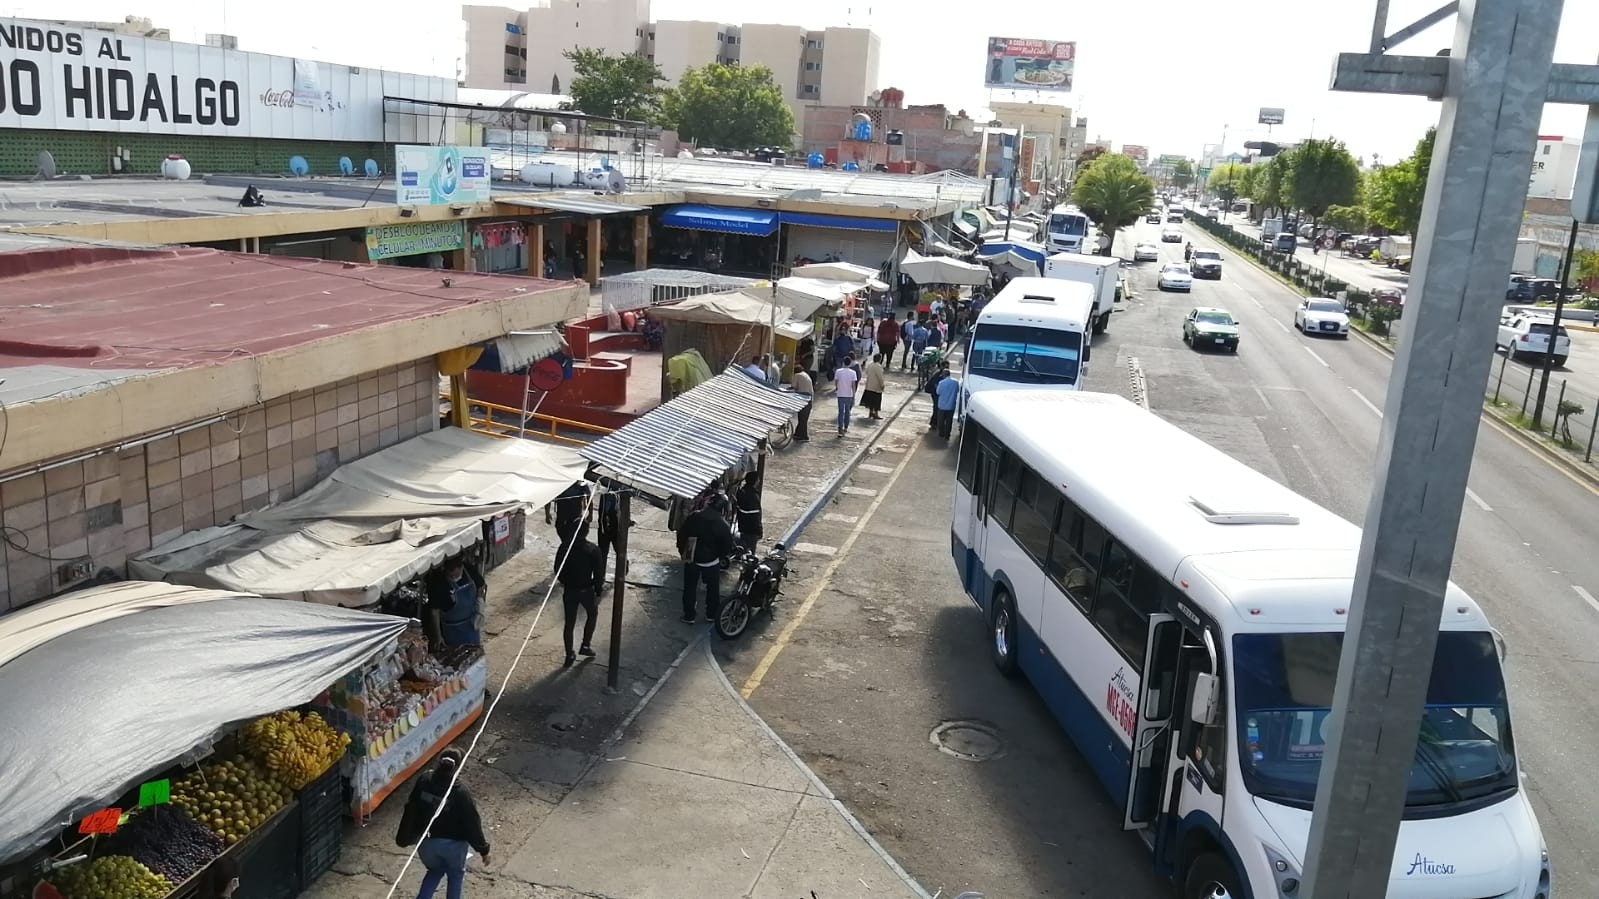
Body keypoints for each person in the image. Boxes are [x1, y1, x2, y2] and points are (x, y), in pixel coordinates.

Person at [396, 748, 491, 899]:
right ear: (457, 767)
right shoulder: (461, 792)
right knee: (455, 875)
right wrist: (484, 850)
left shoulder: (424, 779)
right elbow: (472, 823)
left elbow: (411, 806)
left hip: (425, 844)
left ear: (439, 762)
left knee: (435, 870)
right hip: (453, 847)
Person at [679, 494, 735, 622]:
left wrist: (683, 551)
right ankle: (711, 614)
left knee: (690, 588)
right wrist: (719, 557)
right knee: (713, 590)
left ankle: (689, 615)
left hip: (692, 558)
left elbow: (682, 536)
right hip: (711, 561)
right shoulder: (723, 525)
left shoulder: (694, 517)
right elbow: (727, 546)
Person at [556, 530, 604, 667]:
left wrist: (565, 581)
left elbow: (558, 569)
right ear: (586, 532)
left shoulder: (565, 547)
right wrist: (598, 589)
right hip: (586, 590)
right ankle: (586, 645)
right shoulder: (592, 549)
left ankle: (569, 653)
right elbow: (599, 573)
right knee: (592, 614)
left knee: (569, 623)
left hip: (570, 590)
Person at [424, 556, 486, 652]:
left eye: (456, 575)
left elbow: (481, 586)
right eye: (451, 576)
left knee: (474, 654)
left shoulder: (469, 570)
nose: (453, 578)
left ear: (461, 567)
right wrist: (438, 636)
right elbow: (434, 612)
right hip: (452, 631)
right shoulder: (439, 583)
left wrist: (480, 606)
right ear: (445, 570)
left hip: (471, 624)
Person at [595, 488, 631, 581]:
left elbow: (623, 511)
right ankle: (601, 576)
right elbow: (602, 513)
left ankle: (623, 569)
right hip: (605, 529)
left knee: (619, 550)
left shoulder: (618, 496)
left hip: (615, 529)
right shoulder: (604, 496)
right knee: (603, 553)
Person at [734, 472, 763, 551]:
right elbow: (755, 516)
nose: (759, 481)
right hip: (751, 530)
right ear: (755, 481)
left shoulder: (741, 492)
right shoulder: (753, 496)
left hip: (742, 527)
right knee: (749, 552)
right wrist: (759, 531)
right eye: (758, 479)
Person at [833, 355, 859, 437]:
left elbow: (836, 382)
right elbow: (853, 385)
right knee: (847, 411)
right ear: (850, 363)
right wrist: (854, 395)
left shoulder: (838, 371)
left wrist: (837, 388)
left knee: (841, 411)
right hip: (849, 394)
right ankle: (846, 427)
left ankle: (840, 427)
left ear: (843, 362)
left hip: (840, 394)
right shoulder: (853, 373)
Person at [934, 365, 961, 439]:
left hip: (942, 405)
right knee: (949, 421)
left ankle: (941, 433)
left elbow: (938, 392)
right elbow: (957, 391)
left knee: (941, 421)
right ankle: (947, 434)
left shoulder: (941, 383)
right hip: (951, 405)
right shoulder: (955, 383)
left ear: (943, 375)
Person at [861, 353, 887, 421]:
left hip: (869, 385)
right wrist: (882, 385)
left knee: (870, 401)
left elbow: (866, 372)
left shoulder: (870, 365)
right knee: (876, 401)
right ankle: (876, 414)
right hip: (876, 387)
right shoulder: (878, 366)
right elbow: (880, 377)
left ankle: (870, 412)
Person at [791, 365, 814, 441]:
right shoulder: (805, 374)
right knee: (803, 418)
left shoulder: (797, 375)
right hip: (809, 399)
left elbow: (793, 387)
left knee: (802, 419)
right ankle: (797, 434)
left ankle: (804, 436)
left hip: (803, 399)